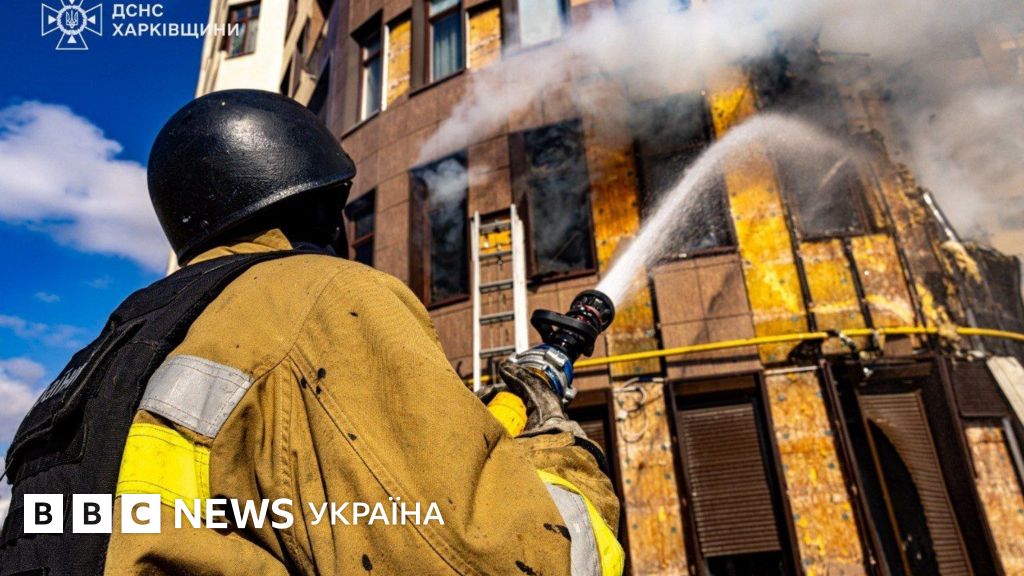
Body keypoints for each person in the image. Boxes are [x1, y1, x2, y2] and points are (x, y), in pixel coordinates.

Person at [0, 89, 623, 576]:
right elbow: (519, 560)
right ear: (324, 208)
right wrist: (547, 436)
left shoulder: (99, 362)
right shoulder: (323, 298)